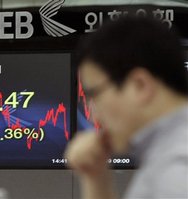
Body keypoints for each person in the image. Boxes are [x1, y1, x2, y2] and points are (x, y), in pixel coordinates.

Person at [65, 16, 188, 199]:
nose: (93, 116)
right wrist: (96, 178)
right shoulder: (167, 157)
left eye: (95, 94)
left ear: (140, 86)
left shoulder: (174, 174)